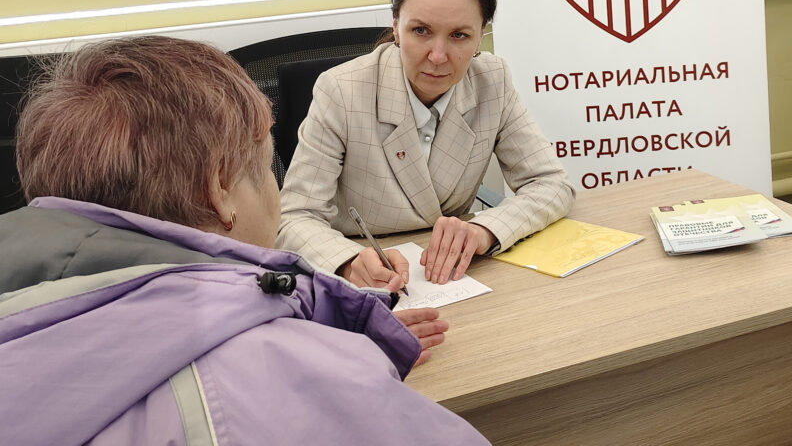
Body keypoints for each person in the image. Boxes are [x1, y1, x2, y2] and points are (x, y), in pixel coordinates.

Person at [0, 36, 489, 446]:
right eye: (266, 164)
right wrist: (326, 361)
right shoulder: (297, 383)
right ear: (220, 189)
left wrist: (323, 329)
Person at [278, 0, 574, 289]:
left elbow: (551, 184)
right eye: (420, 31)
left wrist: (485, 229)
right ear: (396, 27)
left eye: (459, 35)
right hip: (368, 274)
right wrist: (347, 261)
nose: (437, 56)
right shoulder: (341, 90)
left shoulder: (492, 80)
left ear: (480, 37)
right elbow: (295, 216)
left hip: (454, 274)